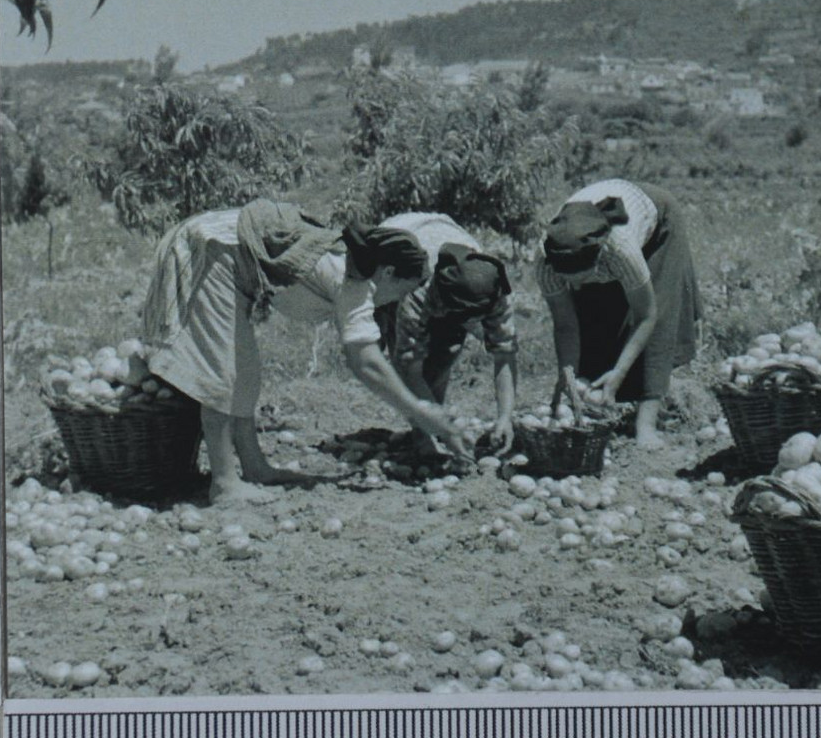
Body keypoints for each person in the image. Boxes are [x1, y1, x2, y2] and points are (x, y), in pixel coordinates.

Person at [141, 199, 470, 504]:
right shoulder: (354, 282)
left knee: (245, 369)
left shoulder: (357, 268)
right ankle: (225, 482)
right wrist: (421, 411)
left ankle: (255, 467)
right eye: (403, 290)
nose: (398, 300)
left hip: (231, 254)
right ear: (387, 273)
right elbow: (365, 363)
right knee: (222, 370)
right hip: (214, 248)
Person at [537, 178, 701, 449]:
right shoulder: (546, 259)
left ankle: (646, 424)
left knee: (659, 314)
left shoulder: (620, 249)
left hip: (658, 219)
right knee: (591, 311)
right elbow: (566, 324)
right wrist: (566, 374)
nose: (575, 287)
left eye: (582, 277)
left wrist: (620, 372)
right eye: (570, 281)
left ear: (600, 259)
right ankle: (593, 411)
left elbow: (647, 315)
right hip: (591, 229)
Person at [373, 212, 520, 454]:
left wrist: (505, 417)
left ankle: (429, 427)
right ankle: (424, 432)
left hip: (441, 230)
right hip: (390, 249)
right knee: (384, 344)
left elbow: (505, 355)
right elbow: (409, 367)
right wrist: (441, 424)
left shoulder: (493, 288)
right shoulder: (417, 292)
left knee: (445, 352)